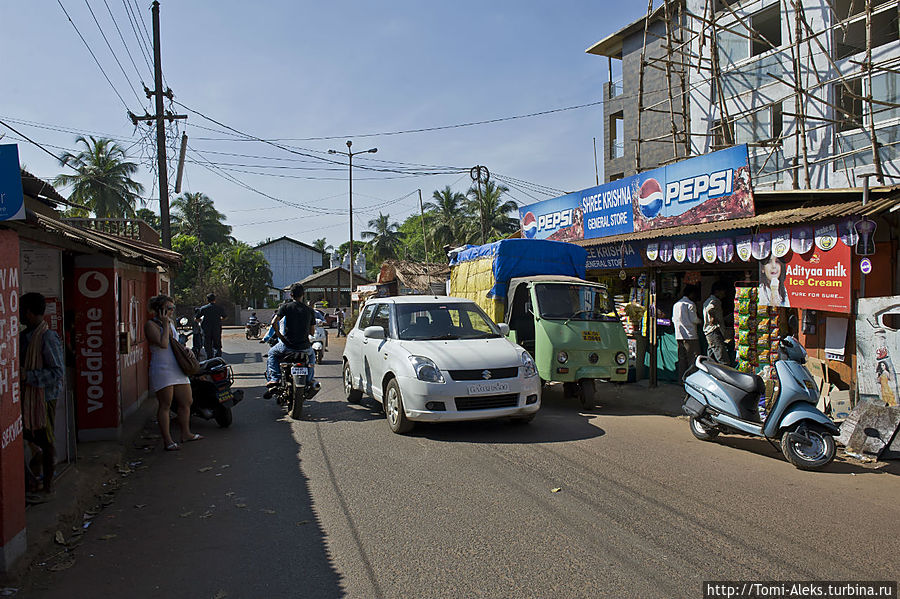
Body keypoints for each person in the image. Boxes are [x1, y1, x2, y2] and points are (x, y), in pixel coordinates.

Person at [20, 293, 64, 501]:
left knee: (46, 442)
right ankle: (34, 480)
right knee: (28, 439)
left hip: (43, 398)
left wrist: (28, 376)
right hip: (27, 398)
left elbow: (57, 372)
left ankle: (47, 486)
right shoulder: (24, 336)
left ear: (28, 312)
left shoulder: (47, 337)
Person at [146, 295, 202, 451]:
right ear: (160, 309)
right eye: (168, 308)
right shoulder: (151, 325)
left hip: (177, 367)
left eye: (172, 308)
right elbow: (163, 344)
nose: (171, 311)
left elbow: (175, 343)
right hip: (162, 369)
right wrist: (164, 325)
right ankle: (168, 440)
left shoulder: (170, 323)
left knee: (187, 401)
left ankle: (186, 433)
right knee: (165, 404)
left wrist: (186, 349)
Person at [265, 283, 316, 397]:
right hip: (305, 347)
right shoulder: (309, 310)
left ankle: (275, 378)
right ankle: (309, 379)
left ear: (291, 295)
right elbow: (312, 332)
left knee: (272, 353)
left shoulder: (285, 307)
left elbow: (273, 322)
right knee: (312, 357)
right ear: (303, 294)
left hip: (287, 346)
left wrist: (280, 336)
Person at [673, 285, 701, 379]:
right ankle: (692, 380)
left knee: (682, 360)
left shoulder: (676, 304)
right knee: (693, 359)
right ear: (691, 294)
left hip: (679, 336)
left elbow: (674, 319)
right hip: (690, 336)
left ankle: (682, 379)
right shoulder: (690, 304)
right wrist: (701, 321)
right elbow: (694, 319)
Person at [703, 281, 731, 365]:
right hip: (714, 332)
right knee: (722, 358)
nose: (724, 294)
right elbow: (710, 308)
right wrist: (712, 316)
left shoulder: (709, 300)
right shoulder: (714, 301)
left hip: (710, 333)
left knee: (711, 356)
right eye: (723, 292)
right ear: (717, 291)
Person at [199, 293, 227, 358]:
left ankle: (210, 358)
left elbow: (197, 318)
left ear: (207, 300)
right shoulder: (219, 308)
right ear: (215, 300)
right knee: (217, 344)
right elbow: (224, 317)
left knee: (207, 345)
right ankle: (218, 358)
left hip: (206, 329)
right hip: (216, 329)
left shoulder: (204, 308)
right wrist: (219, 319)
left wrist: (201, 320)